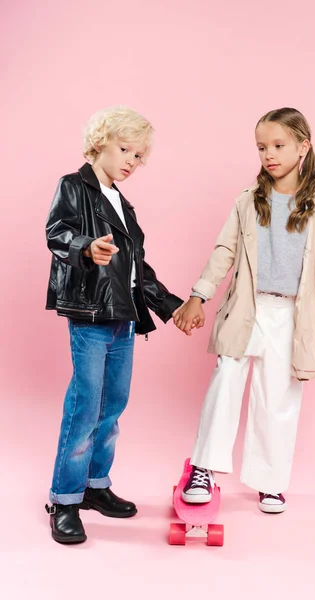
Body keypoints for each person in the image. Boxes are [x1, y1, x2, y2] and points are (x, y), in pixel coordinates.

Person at [174, 107, 315, 513]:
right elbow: (224, 250)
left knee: (279, 397)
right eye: (262, 147)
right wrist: (199, 294)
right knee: (226, 382)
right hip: (248, 307)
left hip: (294, 316)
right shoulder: (249, 200)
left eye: (279, 145)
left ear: (303, 146)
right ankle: (204, 468)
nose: (269, 154)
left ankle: (271, 481)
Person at [45, 106, 183, 543]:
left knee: (113, 405)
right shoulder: (75, 186)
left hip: (123, 318)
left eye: (139, 156)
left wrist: (172, 305)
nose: (131, 161)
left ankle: (95, 487)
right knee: (85, 404)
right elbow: (57, 233)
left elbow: (137, 268)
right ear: (100, 141)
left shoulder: (122, 203)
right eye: (125, 149)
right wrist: (87, 248)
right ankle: (65, 499)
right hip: (89, 314)